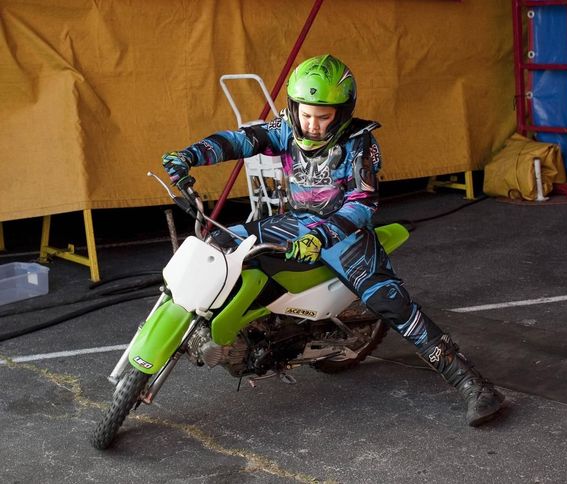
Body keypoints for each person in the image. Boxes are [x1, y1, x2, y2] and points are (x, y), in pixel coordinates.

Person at [162, 54, 504, 426]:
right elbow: (241, 140)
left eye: (323, 116)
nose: (312, 125)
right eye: (306, 114)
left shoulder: (361, 144)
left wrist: (322, 235)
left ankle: (471, 383)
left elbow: (363, 202)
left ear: (342, 113)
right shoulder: (285, 129)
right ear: (293, 108)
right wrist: (189, 155)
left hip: (345, 233)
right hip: (295, 223)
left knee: (391, 303)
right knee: (216, 245)